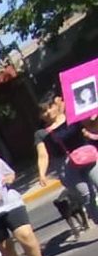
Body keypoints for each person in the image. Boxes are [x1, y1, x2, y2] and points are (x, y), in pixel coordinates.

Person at [36, 90, 98, 223]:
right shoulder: (41, 133)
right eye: (43, 112)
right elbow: (43, 155)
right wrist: (42, 174)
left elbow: (92, 126)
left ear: (56, 105)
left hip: (88, 156)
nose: (46, 114)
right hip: (67, 167)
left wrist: (93, 117)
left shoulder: (73, 117)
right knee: (86, 194)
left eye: (49, 108)